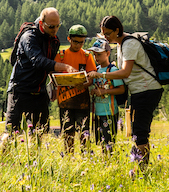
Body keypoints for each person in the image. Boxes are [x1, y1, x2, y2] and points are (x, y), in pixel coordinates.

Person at [87, 15, 162, 168]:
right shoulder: (121, 44)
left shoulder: (129, 44)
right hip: (139, 91)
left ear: (117, 30)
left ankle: (143, 169)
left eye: (108, 34)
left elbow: (125, 72)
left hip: (146, 90)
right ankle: (142, 166)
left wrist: (102, 75)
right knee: (137, 131)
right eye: (103, 34)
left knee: (140, 132)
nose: (106, 37)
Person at [4, 7, 75, 136]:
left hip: (40, 92)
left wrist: (53, 86)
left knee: (41, 133)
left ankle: (36, 149)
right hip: (20, 90)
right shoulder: (29, 37)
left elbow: (49, 65)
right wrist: (65, 67)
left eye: (58, 26)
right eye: (51, 26)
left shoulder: (54, 40)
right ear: (42, 23)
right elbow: (38, 61)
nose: (55, 30)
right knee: (11, 132)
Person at [55, 24, 97, 152]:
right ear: (69, 39)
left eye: (81, 42)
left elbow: (92, 77)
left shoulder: (87, 56)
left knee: (84, 131)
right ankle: (69, 156)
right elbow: (53, 74)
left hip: (82, 101)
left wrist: (84, 84)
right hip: (65, 100)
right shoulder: (61, 55)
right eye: (75, 42)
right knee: (67, 132)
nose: (78, 45)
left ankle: (86, 156)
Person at [89, 38, 125, 152]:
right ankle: (104, 159)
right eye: (94, 55)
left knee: (109, 142)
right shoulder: (96, 69)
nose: (96, 57)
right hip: (97, 112)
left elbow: (121, 89)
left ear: (108, 54)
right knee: (100, 141)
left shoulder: (112, 70)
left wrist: (104, 92)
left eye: (99, 54)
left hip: (109, 112)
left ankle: (109, 159)